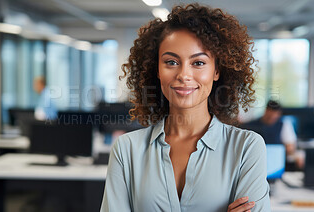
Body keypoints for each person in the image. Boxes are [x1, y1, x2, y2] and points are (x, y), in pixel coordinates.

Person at [101, 4, 270, 212]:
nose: (183, 75)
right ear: (157, 70)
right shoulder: (127, 150)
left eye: (198, 63)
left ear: (216, 70)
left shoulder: (246, 148)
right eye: (171, 62)